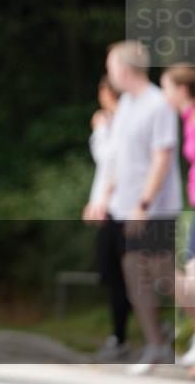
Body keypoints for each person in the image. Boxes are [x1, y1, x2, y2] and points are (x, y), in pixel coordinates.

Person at [94, 41, 181, 375]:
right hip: (125, 208)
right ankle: (156, 344)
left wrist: (143, 203)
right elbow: (121, 159)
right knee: (135, 279)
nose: (109, 73)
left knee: (167, 276)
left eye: (111, 66)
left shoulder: (157, 104)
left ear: (124, 69)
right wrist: (105, 195)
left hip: (153, 209)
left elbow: (162, 156)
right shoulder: (127, 104)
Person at [84, 76, 131, 360]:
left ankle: (131, 334)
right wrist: (95, 201)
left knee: (127, 275)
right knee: (111, 274)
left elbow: (111, 161)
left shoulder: (121, 123)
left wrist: (100, 130)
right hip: (108, 206)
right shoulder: (111, 121)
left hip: (123, 208)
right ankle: (121, 335)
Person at [161, 64, 195, 371]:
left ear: (182, 90)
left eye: (166, 87)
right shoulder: (186, 119)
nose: (163, 94)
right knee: (184, 278)